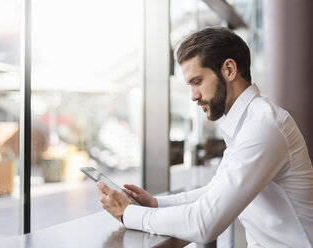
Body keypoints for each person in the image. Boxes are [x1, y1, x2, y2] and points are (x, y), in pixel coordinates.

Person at [97, 27, 313, 247]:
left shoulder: (262, 127)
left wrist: (128, 213)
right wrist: (156, 204)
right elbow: (215, 191)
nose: (193, 96)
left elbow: (204, 223)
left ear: (229, 70)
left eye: (197, 82)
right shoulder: (249, 122)